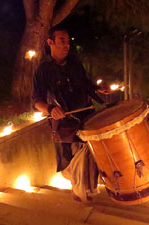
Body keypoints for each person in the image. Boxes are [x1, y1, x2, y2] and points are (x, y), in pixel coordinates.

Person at [32, 24, 104, 202]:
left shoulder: (74, 63)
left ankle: (83, 190)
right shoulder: (43, 70)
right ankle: (78, 188)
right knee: (70, 160)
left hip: (86, 116)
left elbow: (85, 84)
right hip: (65, 124)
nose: (66, 45)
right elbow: (36, 101)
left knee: (91, 153)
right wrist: (50, 109)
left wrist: (97, 89)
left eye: (68, 41)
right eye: (62, 41)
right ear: (50, 42)